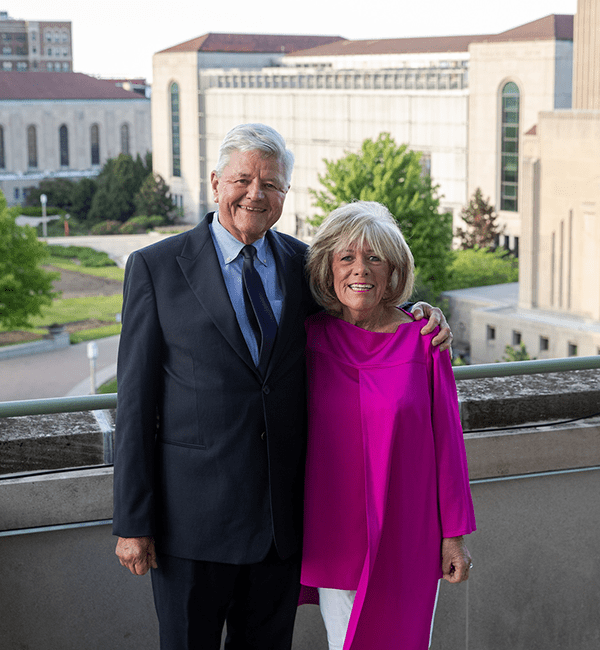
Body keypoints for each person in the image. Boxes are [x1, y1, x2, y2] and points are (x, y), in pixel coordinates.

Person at [112, 123, 451, 650]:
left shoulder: (303, 266)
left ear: (284, 196)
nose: (255, 193)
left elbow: (360, 310)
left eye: (270, 184)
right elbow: (134, 405)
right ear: (215, 182)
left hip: (280, 528)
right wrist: (133, 522)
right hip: (190, 528)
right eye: (243, 179)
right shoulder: (156, 269)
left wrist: (419, 314)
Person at [300, 201, 476, 650]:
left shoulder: (424, 340)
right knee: (345, 643)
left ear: (393, 269)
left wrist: (453, 537)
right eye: (347, 257)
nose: (361, 270)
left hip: (409, 534)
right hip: (333, 530)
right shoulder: (306, 337)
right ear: (328, 267)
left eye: (374, 257)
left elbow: (447, 446)